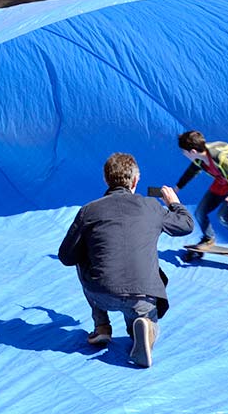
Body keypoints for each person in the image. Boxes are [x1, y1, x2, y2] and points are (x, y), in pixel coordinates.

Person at [59, 153, 193, 368]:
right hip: (142, 293)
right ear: (135, 181)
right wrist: (174, 203)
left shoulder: (89, 210)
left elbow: (66, 257)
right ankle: (144, 328)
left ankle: (102, 326)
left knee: (81, 253)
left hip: (101, 293)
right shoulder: (152, 207)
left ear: (106, 180)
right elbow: (186, 225)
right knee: (140, 323)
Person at [175, 130, 228, 256]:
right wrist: (177, 188)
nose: (183, 154)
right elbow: (191, 171)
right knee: (200, 212)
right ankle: (208, 239)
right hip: (220, 185)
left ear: (193, 152)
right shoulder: (199, 159)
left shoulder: (220, 157)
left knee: (223, 217)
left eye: (184, 152)